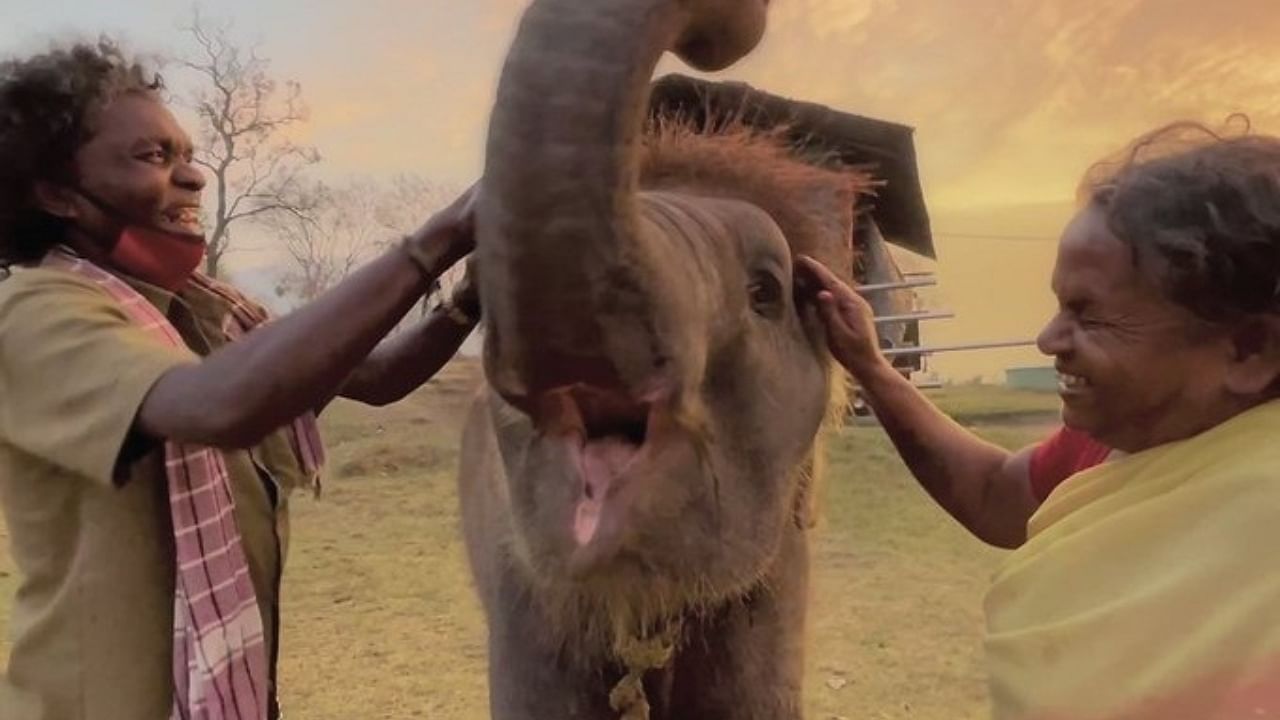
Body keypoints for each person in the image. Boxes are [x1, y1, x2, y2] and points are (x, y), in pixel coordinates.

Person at [0, 40, 481, 719]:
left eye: (186, 155)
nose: (193, 178)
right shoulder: (36, 311)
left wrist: (471, 295)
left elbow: (372, 377)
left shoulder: (202, 309)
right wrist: (443, 236)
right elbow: (223, 405)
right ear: (55, 193)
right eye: (152, 158)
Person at [801, 119, 1280, 718]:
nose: (1049, 339)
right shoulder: (1115, 443)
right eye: (1059, 306)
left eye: (1090, 316)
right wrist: (872, 367)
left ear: (1248, 349)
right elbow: (998, 492)